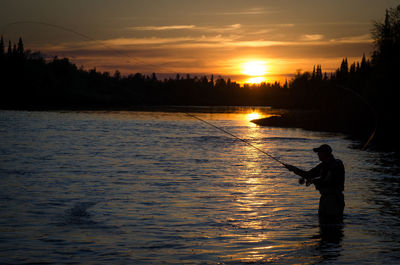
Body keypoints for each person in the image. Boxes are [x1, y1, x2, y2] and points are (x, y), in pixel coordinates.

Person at [284, 144, 345, 222]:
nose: (318, 154)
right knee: (323, 224)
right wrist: (293, 169)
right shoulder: (323, 165)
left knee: (332, 224)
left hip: (333, 199)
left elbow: (326, 180)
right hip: (324, 198)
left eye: (319, 152)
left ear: (326, 153)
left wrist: (313, 181)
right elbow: (308, 174)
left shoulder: (336, 164)